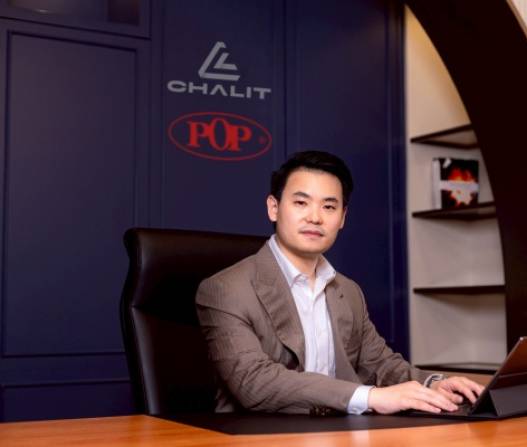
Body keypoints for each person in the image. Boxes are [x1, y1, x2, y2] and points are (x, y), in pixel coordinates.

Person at [196, 150, 484, 415]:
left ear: (343, 217)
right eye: (301, 203)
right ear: (274, 208)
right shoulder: (226, 289)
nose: (315, 217)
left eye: (329, 207)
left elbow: (379, 364)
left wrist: (432, 383)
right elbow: (253, 382)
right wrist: (370, 397)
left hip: (340, 434)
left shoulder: (348, 291)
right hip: (259, 437)